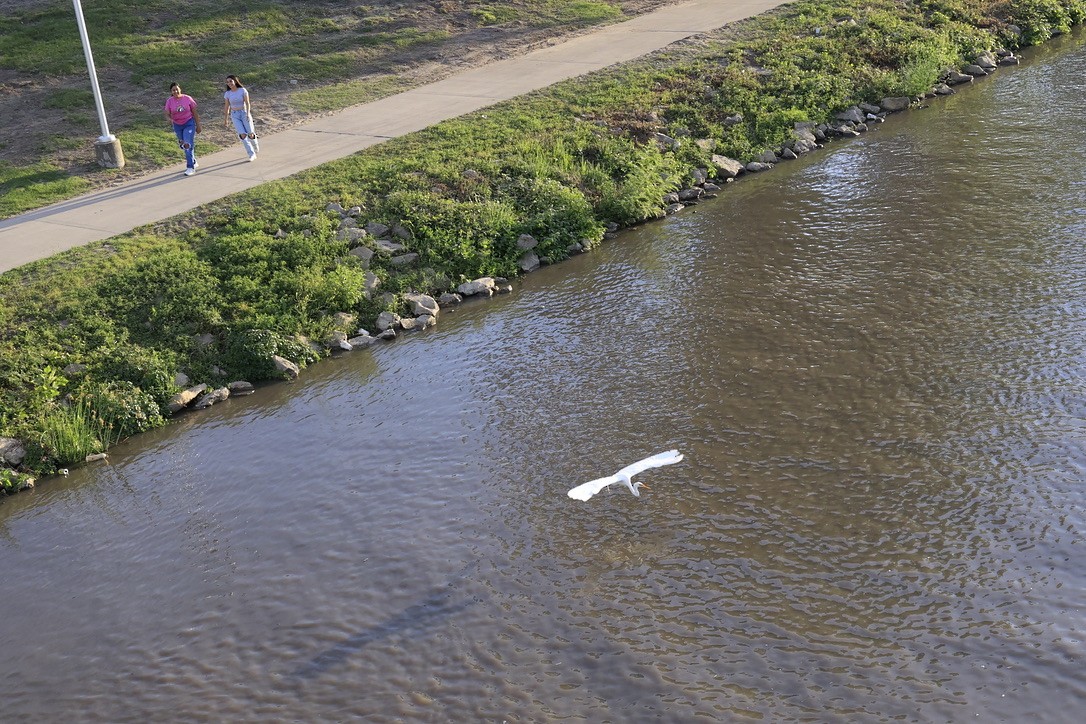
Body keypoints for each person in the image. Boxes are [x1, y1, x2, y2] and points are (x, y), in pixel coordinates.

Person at [164, 82, 202, 176]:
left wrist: (198, 125)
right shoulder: (170, 101)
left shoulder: (187, 99)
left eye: (177, 89)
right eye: (173, 90)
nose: (175, 91)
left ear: (180, 89)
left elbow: (195, 113)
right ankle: (193, 160)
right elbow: (166, 113)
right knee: (183, 144)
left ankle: (190, 167)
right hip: (177, 125)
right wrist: (169, 119)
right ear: (171, 92)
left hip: (189, 123)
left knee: (187, 144)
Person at [223, 75, 259, 162]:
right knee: (242, 135)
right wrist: (226, 119)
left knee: (250, 133)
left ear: (235, 81)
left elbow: (247, 103)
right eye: (227, 82)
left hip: (244, 113)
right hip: (235, 115)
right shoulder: (227, 94)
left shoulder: (242, 90)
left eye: (231, 81)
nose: (229, 83)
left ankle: (255, 145)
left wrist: (247, 113)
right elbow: (227, 107)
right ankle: (251, 154)